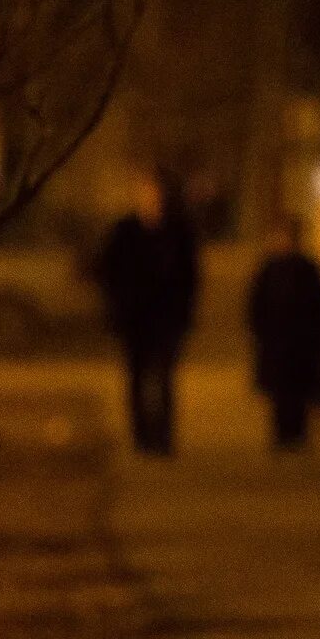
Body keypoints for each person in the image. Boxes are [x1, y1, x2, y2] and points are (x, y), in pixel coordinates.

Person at [96, 168, 199, 457]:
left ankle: (164, 438)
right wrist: (116, 309)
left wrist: (185, 312)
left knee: (165, 377)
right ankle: (141, 438)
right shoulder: (125, 231)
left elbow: (190, 277)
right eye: (148, 195)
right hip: (135, 319)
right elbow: (109, 273)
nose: (154, 201)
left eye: (157, 196)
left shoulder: (179, 231)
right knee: (137, 379)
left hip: (167, 318)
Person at [245, 216, 320, 450]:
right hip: (276, 339)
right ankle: (282, 434)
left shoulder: (307, 268)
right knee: (279, 391)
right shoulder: (269, 268)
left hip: (301, 340)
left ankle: (297, 433)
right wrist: (258, 330)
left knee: (299, 388)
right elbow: (256, 303)